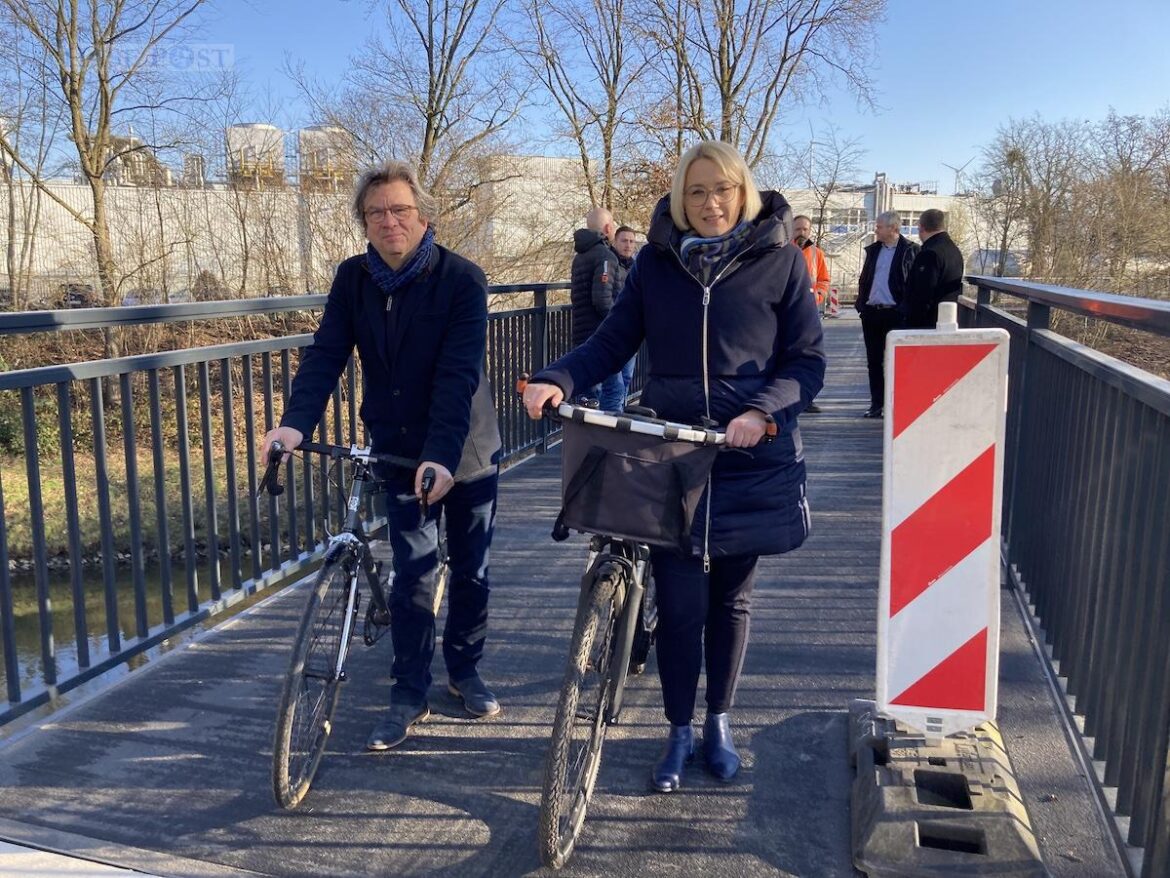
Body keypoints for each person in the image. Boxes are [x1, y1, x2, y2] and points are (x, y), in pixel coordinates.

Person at [524, 140, 825, 791]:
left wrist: (765, 412)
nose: (710, 203)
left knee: (731, 602)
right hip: (674, 456)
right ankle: (679, 730)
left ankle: (719, 721)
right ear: (681, 201)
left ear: (741, 191)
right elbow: (610, 342)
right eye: (696, 192)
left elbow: (807, 362)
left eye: (721, 189)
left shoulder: (782, 261)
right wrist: (557, 378)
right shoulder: (656, 267)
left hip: (751, 457)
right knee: (682, 608)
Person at [261, 160, 503, 752]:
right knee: (412, 574)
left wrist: (442, 456)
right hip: (396, 449)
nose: (389, 221)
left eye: (399, 209)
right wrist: (293, 426)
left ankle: (464, 669)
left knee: (470, 569)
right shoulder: (354, 280)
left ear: (424, 216)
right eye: (376, 212)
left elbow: (457, 375)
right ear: (363, 223)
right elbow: (326, 357)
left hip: (463, 450)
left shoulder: (462, 281)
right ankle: (408, 689)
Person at [854, 210, 919, 418]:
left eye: (880, 226)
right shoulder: (873, 250)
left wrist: (905, 309)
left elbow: (913, 285)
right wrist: (861, 305)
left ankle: (897, 405)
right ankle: (877, 405)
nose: (876, 230)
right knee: (874, 361)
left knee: (897, 361)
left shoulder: (911, 250)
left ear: (894, 228)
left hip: (895, 314)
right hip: (872, 313)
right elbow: (865, 279)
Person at [570, 207, 629, 411]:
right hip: (600, 335)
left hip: (581, 332)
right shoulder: (605, 257)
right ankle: (611, 440)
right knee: (614, 390)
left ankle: (584, 439)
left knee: (588, 393)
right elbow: (602, 300)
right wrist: (620, 323)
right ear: (608, 227)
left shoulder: (580, 257)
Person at [792, 215, 831, 413]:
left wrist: (818, 296)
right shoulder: (781, 251)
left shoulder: (817, 254)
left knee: (809, 356)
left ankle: (806, 397)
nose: (802, 233)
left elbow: (824, 280)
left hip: (809, 310)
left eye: (805, 230)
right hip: (787, 310)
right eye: (798, 229)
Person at [905, 208, 965, 329]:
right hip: (948, 319)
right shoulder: (954, 250)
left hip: (928, 324)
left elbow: (923, 293)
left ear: (921, 227)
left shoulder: (929, 253)